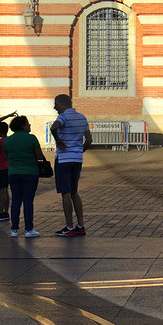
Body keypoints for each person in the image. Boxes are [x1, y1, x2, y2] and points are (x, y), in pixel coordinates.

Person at [50, 94, 92, 237]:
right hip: (77, 160)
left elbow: (53, 128)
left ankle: (69, 227)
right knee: (74, 192)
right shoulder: (82, 117)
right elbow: (89, 140)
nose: (54, 107)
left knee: (66, 193)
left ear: (62, 104)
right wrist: (79, 151)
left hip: (63, 160)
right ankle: (81, 225)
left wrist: (58, 140)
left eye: (56, 104)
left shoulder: (63, 117)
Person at [3, 114, 44, 237]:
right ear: (23, 125)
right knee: (27, 201)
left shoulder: (8, 140)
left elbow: (6, 156)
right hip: (30, 173)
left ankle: (14, 229)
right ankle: (28, 229)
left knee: (15, 201)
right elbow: (40, 156)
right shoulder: (32, 138)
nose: (29, 125)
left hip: (13, 173)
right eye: (27, 123)